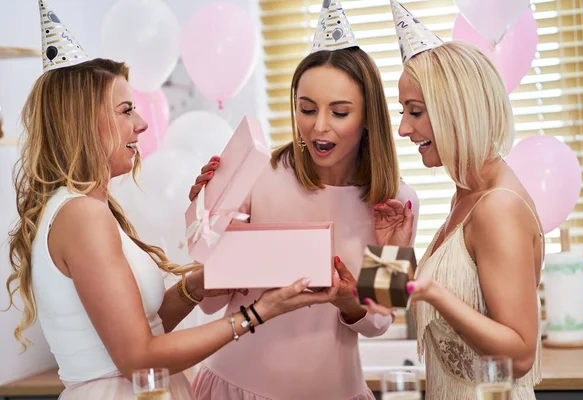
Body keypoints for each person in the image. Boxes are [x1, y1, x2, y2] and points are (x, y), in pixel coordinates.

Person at [4, 3, 335, 399]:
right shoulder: (81, 215)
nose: (141, 124)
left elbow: (143, 329)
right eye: (126, 111)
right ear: (83, 122)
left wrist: (197, 285)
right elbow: (137, 357)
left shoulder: (85, 208)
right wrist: (259, 312)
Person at [189, 2, 419, 399]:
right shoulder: (257, 173)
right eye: (307, 109)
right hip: (235, 388)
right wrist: (208, 221)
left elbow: (380, 321)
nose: (319, 126)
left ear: (368, 118)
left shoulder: (396, 203)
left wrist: (353, 304)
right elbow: (210, 305)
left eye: (340, 112)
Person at [388, 2, 543, 399]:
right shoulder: (467, 193)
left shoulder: (497, 207)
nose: (404, 128)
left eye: (416, 112)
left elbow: (521, 353)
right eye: (403, 111)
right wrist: (394, 246)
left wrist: (434, 294)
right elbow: (380, 306)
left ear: (455, 111)